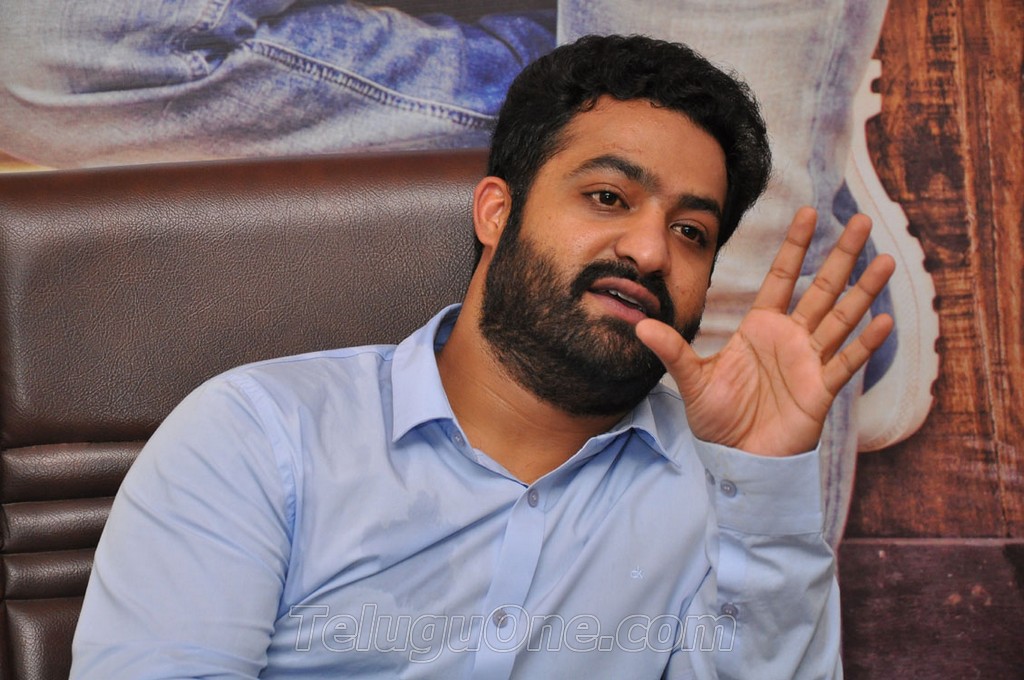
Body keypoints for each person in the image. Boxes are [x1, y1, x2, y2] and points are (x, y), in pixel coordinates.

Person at [70, 35, 894, 678]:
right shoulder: (260, 436)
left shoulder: (722, 494)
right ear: (497, 212)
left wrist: (763, 488)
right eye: (608, 196)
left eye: (691, 231)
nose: (650, 251)